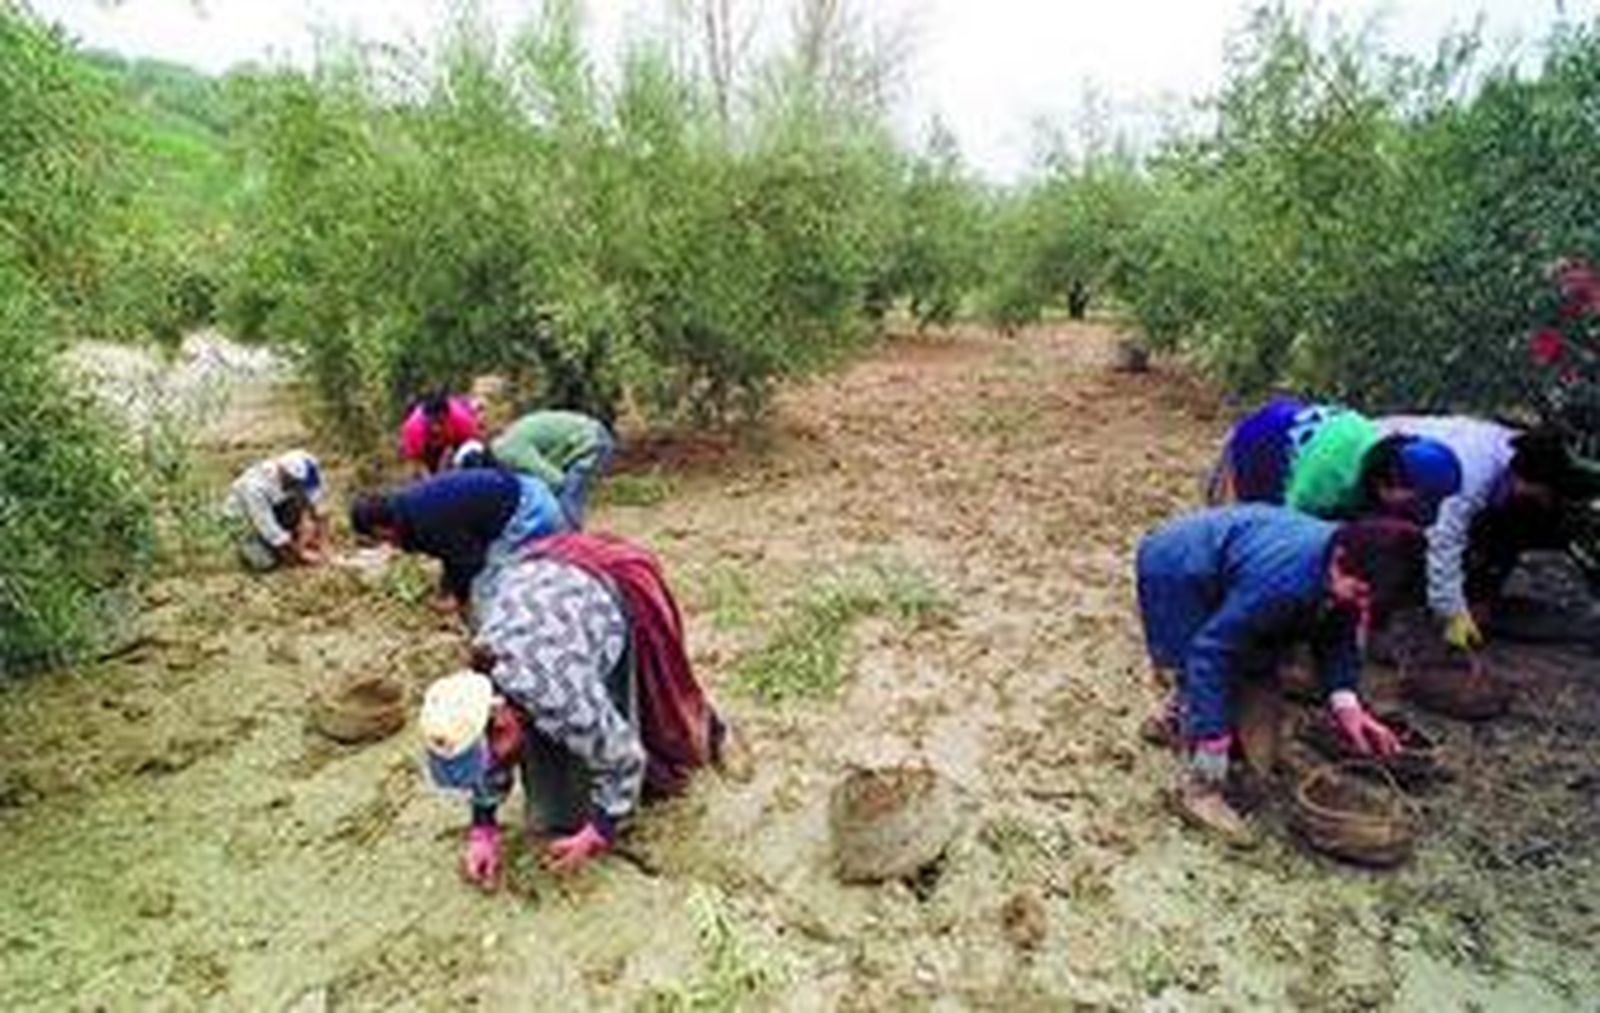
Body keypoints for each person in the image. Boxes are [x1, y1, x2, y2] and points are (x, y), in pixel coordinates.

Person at [418, 533, 741, 890]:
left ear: (500, 721)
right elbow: (489, 762)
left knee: (657, 705)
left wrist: (598, 831)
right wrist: (483, 830)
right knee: (556, 785)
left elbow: (624, 758)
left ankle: (714, 732)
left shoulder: (561, 699)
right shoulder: (479, 686)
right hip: (540, 582)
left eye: (488, 755)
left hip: (610, 587)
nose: (490, 766)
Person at [1135, 504, 1426, 844]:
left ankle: (1185, 724)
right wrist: (1213, 738)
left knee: (1255, 667)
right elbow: (1210, 651)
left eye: (1370, 601)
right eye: (1359, 593)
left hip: (1236, 559)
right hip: (1178, 567)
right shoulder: (1284, 583)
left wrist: (1348, 705)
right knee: (1197, 665)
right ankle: (1198, 788)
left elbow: (1336, 637)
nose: (1362, 606)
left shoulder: (1351, 566)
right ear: (1339, 557)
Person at [1373, 417, 1594, 650]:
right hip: (1381, 467)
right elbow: (1443, 539)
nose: (1544, 499)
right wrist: (1452, 614)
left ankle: (1471, 599)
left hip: (1413, 474)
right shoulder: (1470, 474)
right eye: (1542, 492)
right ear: (1526, 481)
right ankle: (1373, 622)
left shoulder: (1519, 452)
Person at [1209, 397, 1463, 526]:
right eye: (1414, 502)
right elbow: (1282, 536)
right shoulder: (1323, 483)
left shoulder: (1378, 454)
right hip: (1262, 444)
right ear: (1390, 480)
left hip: (1308, 433)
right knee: (1251, 525)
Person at [348, 468, 565, 612]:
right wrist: (446, 589)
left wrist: (457, 599)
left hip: (529, 511)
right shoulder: (406, 506)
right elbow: (451, 552)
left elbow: (471, 559)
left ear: (380, 528)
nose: (383, 544)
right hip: (527, 489)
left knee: (487, 588)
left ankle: (499, 649)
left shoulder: (424, 522)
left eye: (376, 538)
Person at [490, 410, 616, 528]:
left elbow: (556, 480)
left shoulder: (510, 452)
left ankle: (570, 545)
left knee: (566, 499)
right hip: (586, 438)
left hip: (591, 441)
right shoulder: (506, 447)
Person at [225, 449, 329, 571]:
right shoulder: (254, 487)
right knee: (265, 562)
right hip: (245, 522)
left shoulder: (309, 463)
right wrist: (300, 553)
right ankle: (251, 548)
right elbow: (271, 531)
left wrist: (324, 544)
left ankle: (294, 539)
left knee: (298, 508)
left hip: (275, 506)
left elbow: (320, 507)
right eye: (297, 483)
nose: (301, 487)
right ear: (282, 472)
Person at [398, 392, 483, 476]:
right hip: (428, 451)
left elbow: (474, 446)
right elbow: (416, 462)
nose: (436, 428)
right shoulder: (413, 428)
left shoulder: (462, 420)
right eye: (432, 423)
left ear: (448, 416)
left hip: (456, 442)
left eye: (440, 422)